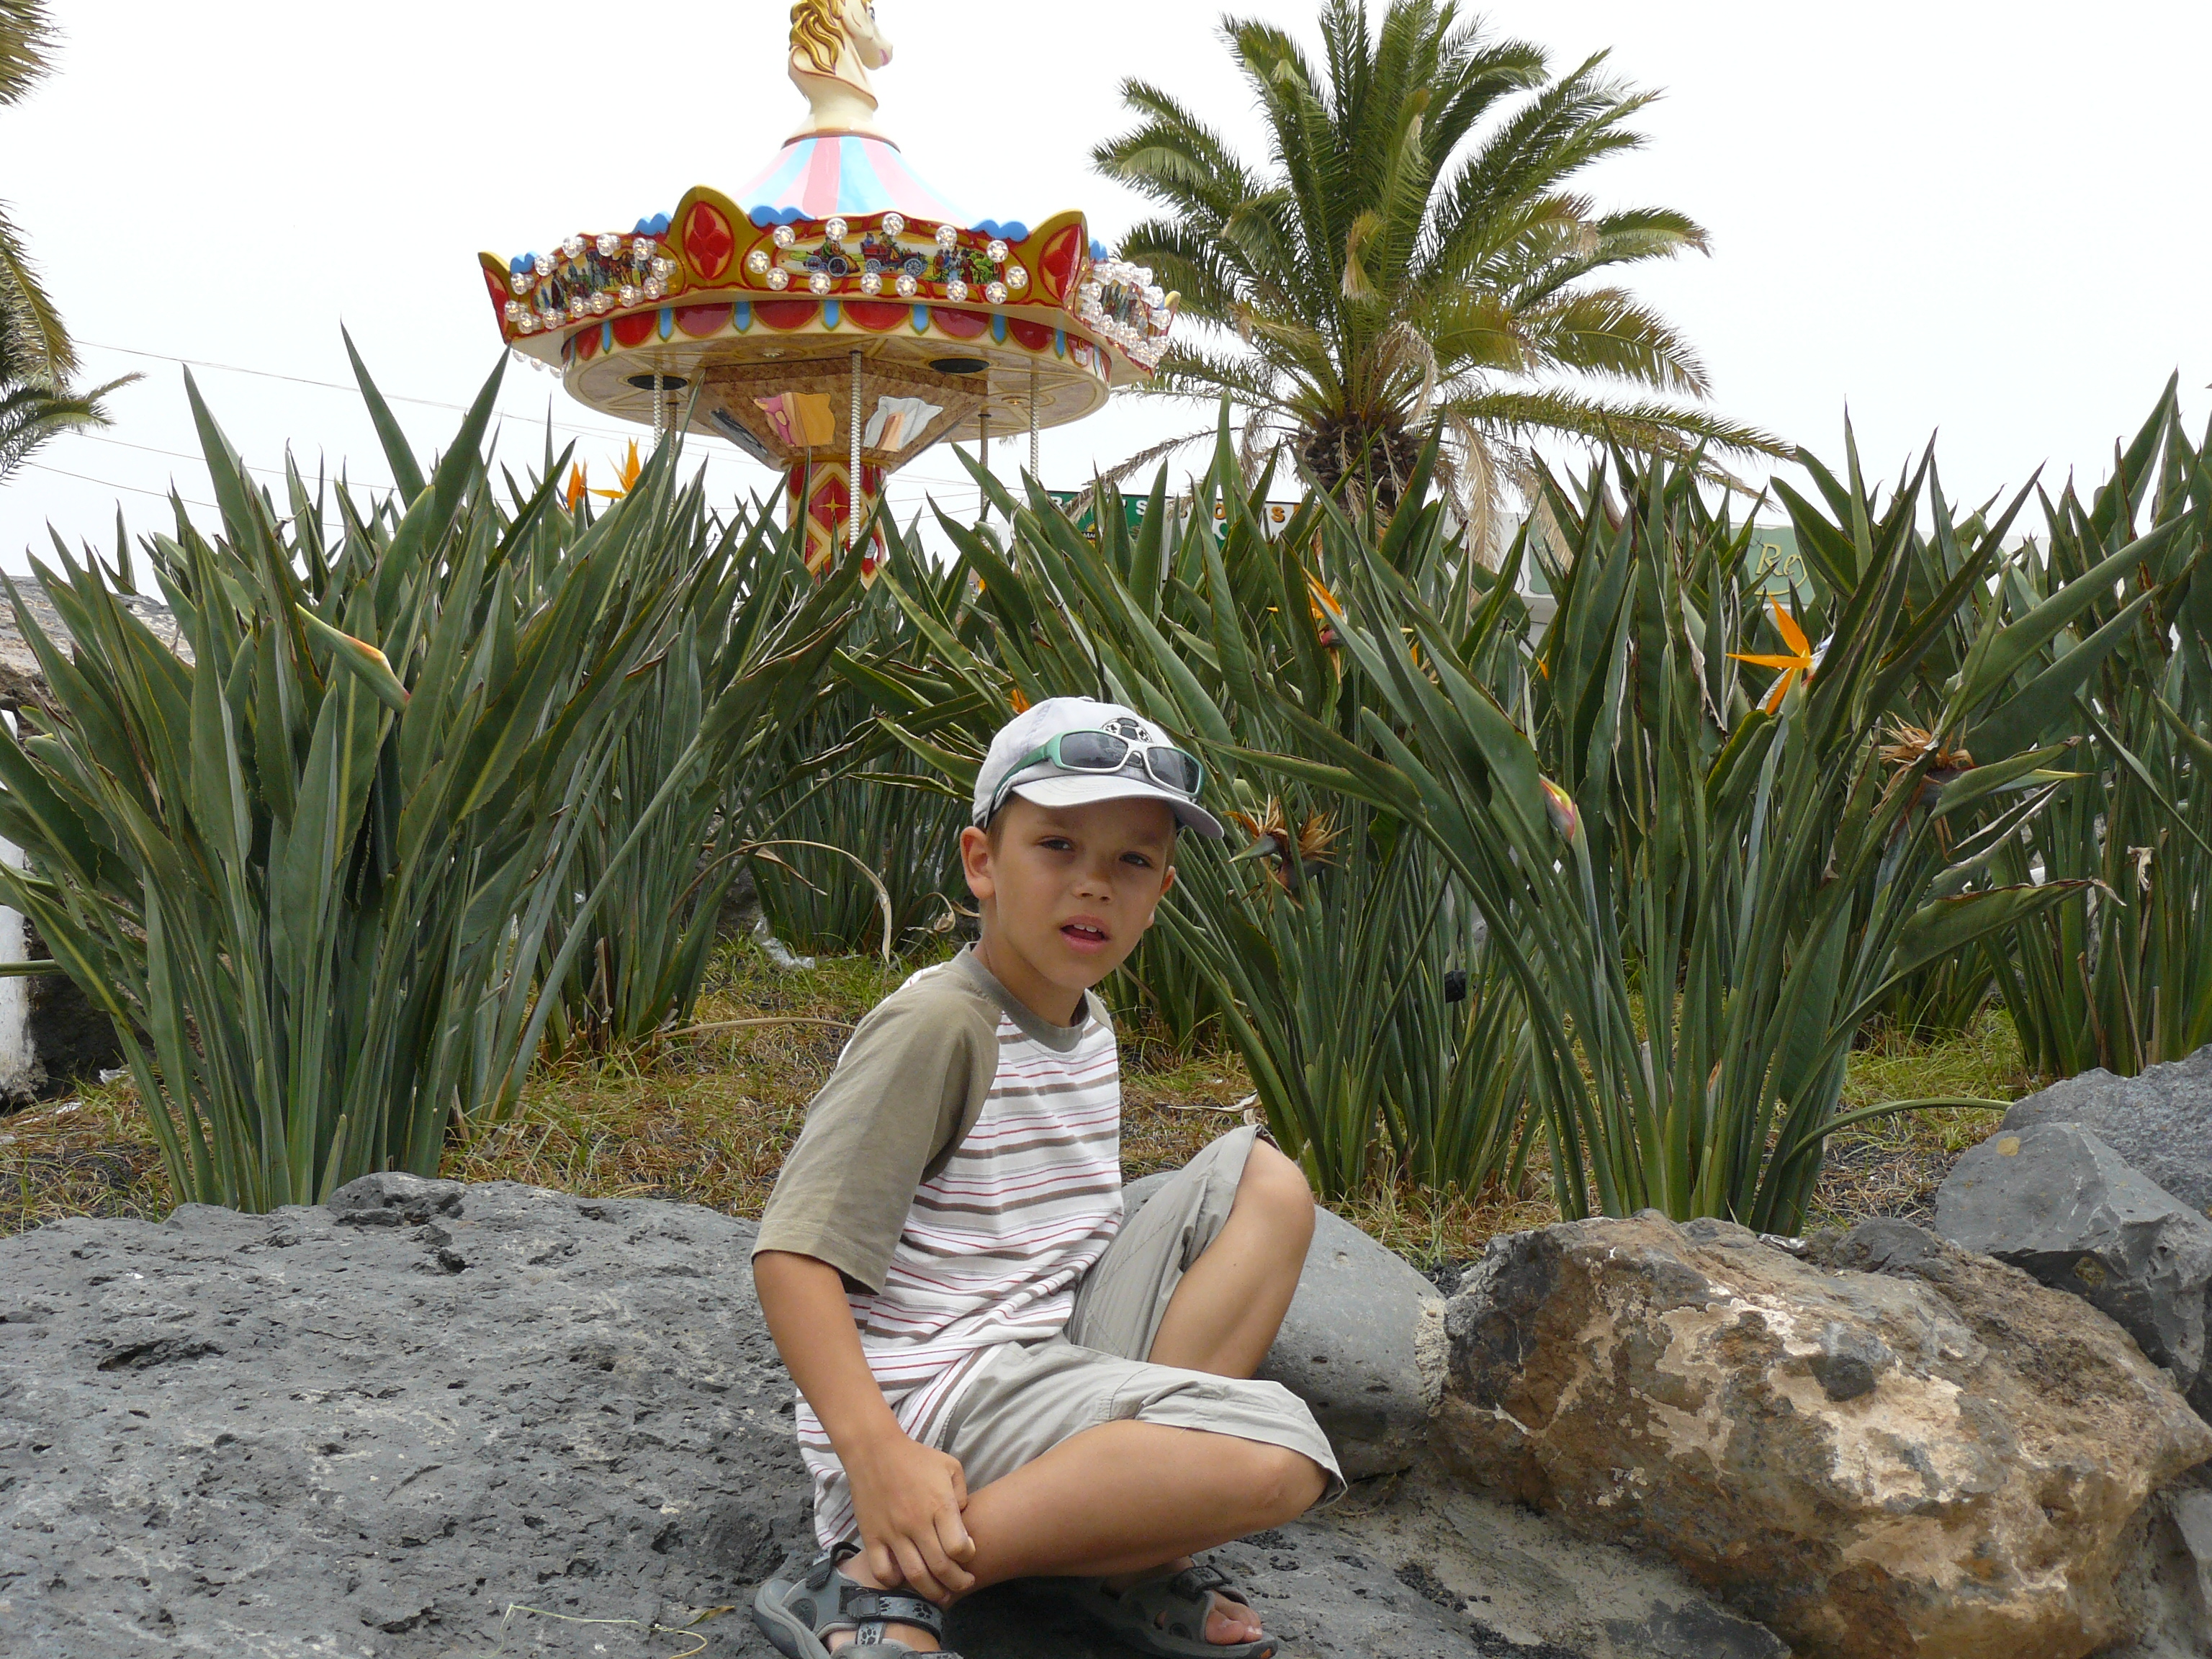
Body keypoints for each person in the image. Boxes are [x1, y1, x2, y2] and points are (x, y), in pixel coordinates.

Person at [750, 697, 1341, 1659]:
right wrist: (878, 1455)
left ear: (1162, 889)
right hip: (936, 1397)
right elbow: (792, 1258)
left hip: (1034, 1349)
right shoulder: (942, 1026)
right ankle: (881, 1573)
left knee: (1266, 1184)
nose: (1094, 885)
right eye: (1058, 846)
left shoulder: (1084, 1020)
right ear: (982, 861)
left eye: (1132, 861)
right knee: (1279, 1454)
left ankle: (1104, 1555)